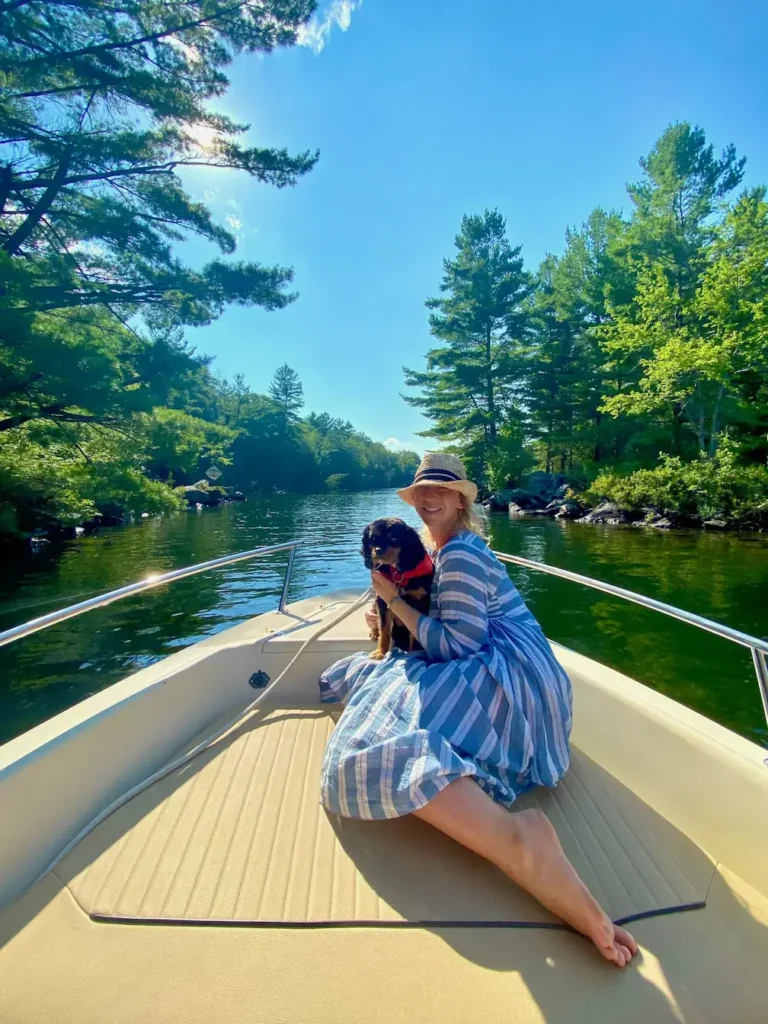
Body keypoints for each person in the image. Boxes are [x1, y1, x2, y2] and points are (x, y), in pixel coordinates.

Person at [319, 453, 637, 967]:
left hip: (507, 677)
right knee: (384, 683)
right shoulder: (448, 550)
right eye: (422, 490)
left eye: (441, 490)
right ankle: (510, 830)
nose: (428, 498)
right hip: (521, 670)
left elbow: (461, 648)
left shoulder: (461, 555)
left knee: (364, 749)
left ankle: (518, 841)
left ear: (462, 499)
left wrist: (393, 603)